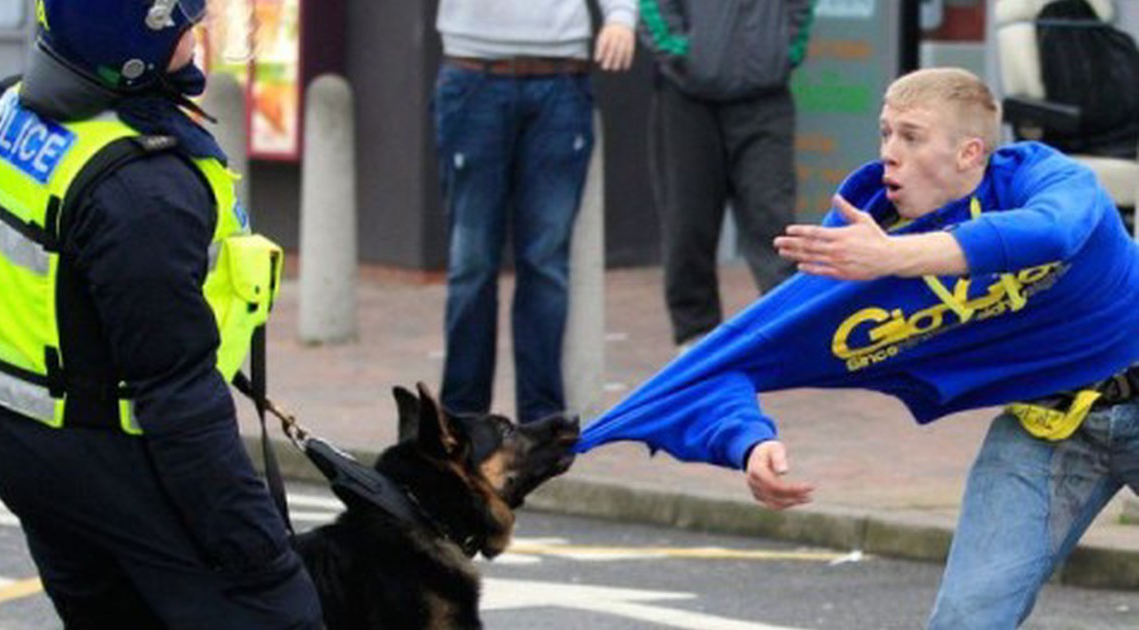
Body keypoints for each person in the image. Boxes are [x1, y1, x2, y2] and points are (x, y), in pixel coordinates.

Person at [574, 67, 1139, 628]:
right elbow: (737, 357)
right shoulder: (858, 245)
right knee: (965, 619)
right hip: (1048, 427)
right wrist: (747, 440)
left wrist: (896, 258)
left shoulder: (1041, 176)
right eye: (886, 133)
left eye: (911, 136)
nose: (890, 153)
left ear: (969, 153)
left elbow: (1055, 232)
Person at [0, 1, 322, 627]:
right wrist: (262, 555)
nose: (196, 26)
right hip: (114, 451)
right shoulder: (143, 190)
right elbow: (179, 400)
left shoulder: (14, 107)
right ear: (128, 48)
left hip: (20, 435)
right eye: (180, 18)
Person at [434, 0, 636, 423]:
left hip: (561, 79)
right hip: (473, 73)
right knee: (472, 263)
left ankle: (541, 424)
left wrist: (620, 16)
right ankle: (461, 424)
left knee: (546, 264)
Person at [640, 0, 815, 349]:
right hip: (687, 98)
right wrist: (685, 53)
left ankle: (788, 331)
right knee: (688, 222)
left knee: (773, 219)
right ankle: (695, 338)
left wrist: (786, 49)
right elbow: (653, 7)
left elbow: (801, 7)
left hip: (766, 97)